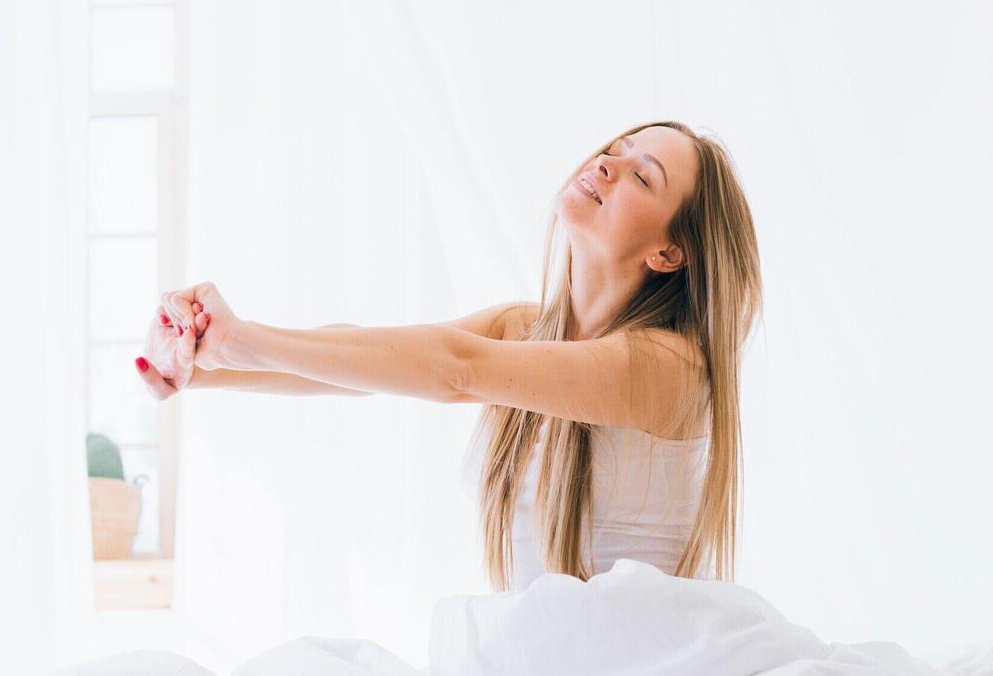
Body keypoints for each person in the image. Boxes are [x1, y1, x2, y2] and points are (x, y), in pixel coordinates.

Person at [133, 119, 762, 589]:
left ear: (669, 254)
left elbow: (457, 369)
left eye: (641, 176)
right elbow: (366, 363)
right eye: (614, 151)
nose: (607, 165)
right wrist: (201, 366)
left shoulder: (669, 368)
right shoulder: (524, 329)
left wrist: (242, 341)